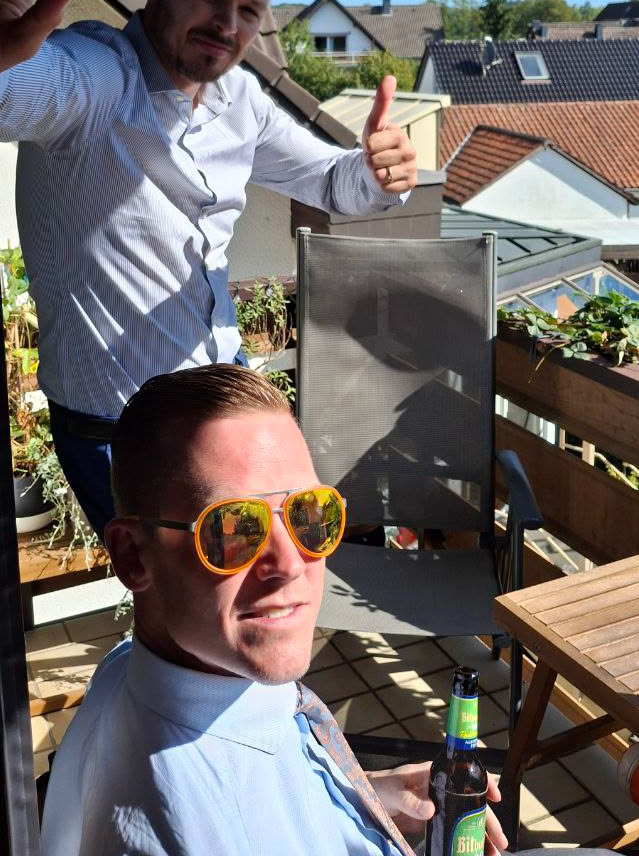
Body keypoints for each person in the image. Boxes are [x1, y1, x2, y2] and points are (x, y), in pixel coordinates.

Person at [0, 0, 418, 536]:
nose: (227, 25)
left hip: (223, 392)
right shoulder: (101, 75)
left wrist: (382, 174)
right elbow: (23, 86)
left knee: (256, 568)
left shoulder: (240, 100)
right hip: (121, 428)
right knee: (182, 588)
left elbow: (332, 182)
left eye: (249, 10)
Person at [38, 364, 508, 856]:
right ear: (133, 555)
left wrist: (363, 796)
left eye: (309, 514)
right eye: (232, 527)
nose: (289, 563)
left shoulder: (131, 669)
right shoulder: (189, 834)